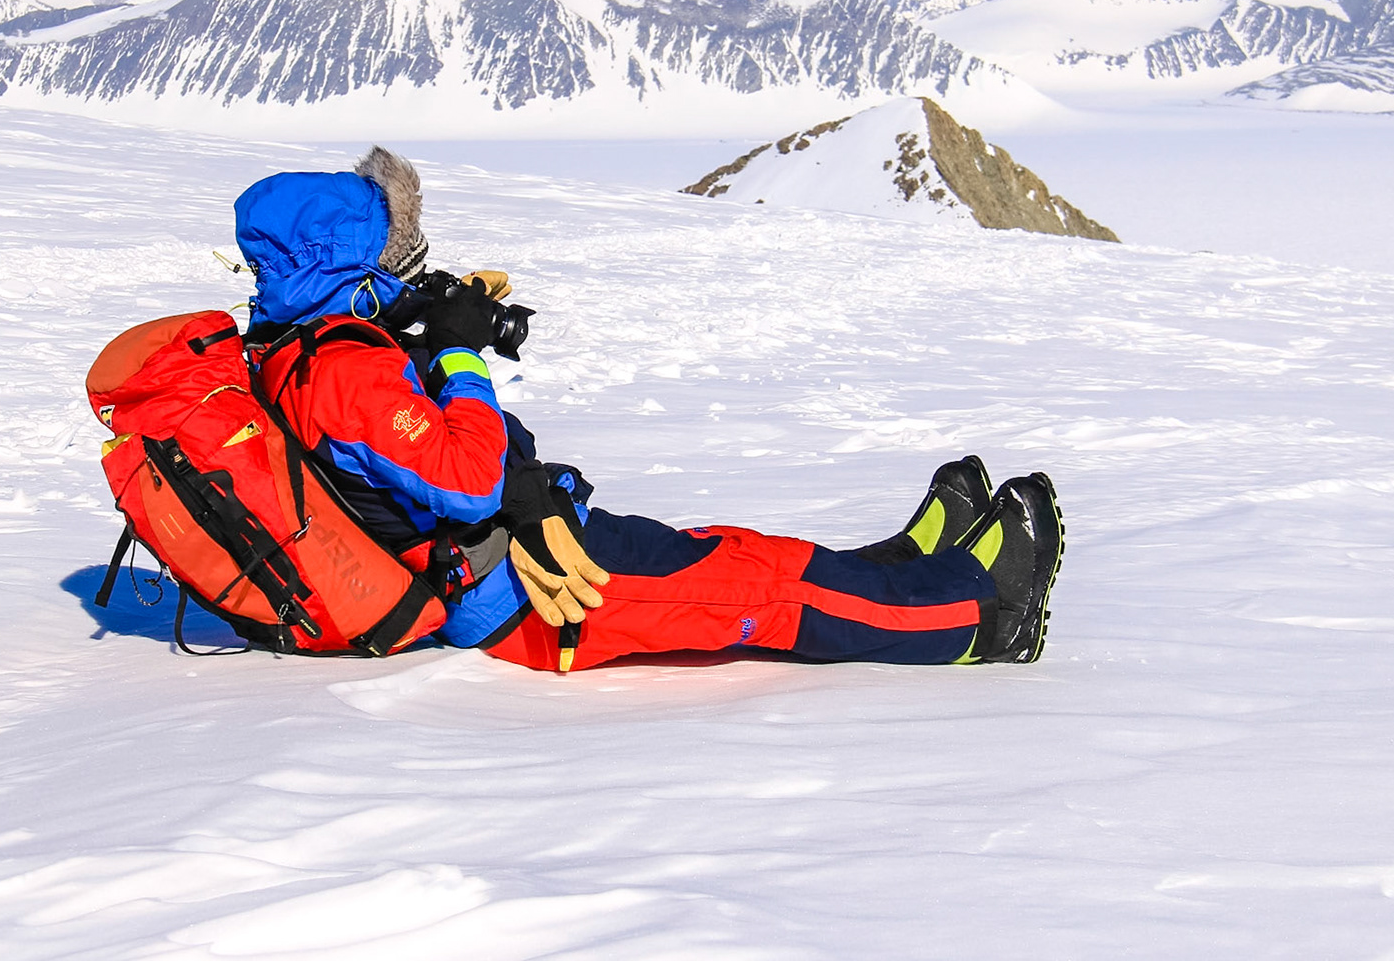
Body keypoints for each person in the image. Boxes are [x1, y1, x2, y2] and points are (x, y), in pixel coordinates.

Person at [235, 148, 1064, 673]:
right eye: (394, 251)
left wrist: (419, 328)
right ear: (347, 267)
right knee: (764, 592)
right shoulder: (345, 372)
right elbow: (466, 479)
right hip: (530, 595)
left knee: (742, 556)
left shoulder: (295, 344)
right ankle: (979, 615)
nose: (413, 265)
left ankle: (896, 571)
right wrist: (457, 353)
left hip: (516, 563)